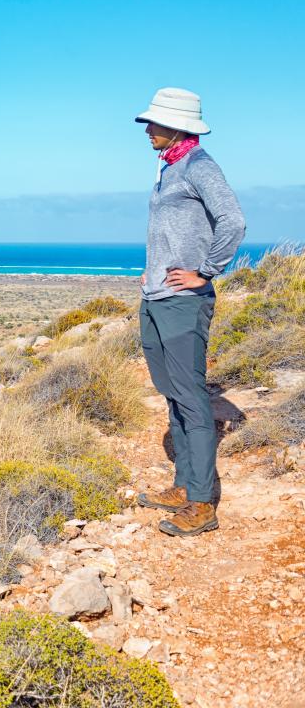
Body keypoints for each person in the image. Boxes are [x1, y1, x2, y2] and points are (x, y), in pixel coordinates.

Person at [132, 88, 246, 537]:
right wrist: (150, 273)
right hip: (156, 297)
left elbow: (233, 221)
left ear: (178, 125)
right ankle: (183, 486)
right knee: (171, 392)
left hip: (184, 301)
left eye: (154, 123)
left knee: (192, 397)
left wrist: (205, 272)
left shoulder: (200, 166)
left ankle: (202, 503)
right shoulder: (169, 168)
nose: (147, 131)